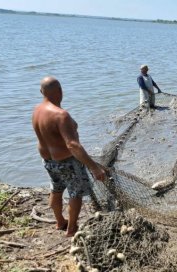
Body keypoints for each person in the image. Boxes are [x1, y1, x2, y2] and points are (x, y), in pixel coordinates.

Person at [32, 76, 107, 237]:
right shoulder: (61, 115)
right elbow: (72, 145)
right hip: (67, 162)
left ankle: (60, 221)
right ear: (60, 91)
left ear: (41, 92)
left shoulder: (37, 110)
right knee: (76, 193)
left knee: (56, 189)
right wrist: (94, 167)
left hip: (48, 161)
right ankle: (72, 228)